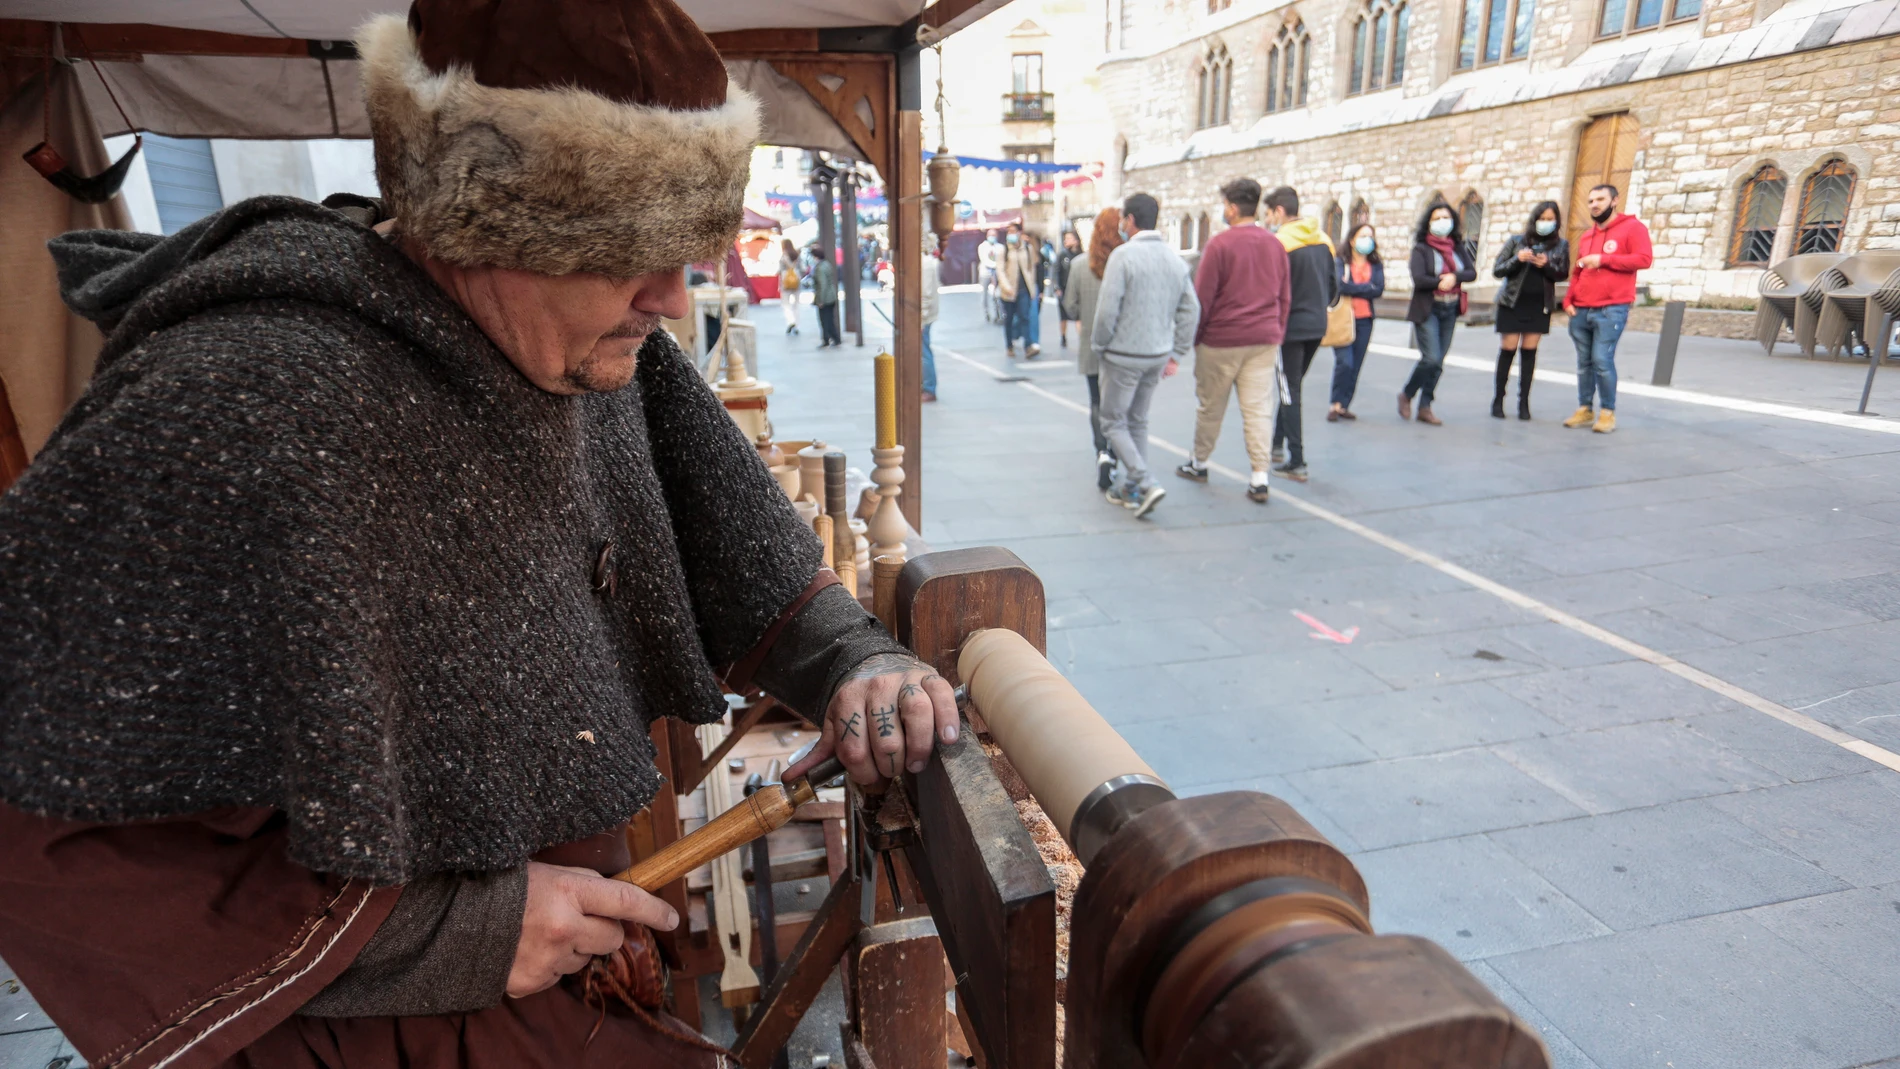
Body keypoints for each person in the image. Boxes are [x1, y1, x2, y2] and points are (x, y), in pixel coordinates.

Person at [0, 3, 960, 1066]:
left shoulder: (585, 338)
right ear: (480, 221)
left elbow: (729, 536)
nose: (671, 301)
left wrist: (846, 658)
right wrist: (454, 933)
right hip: (374, 1029)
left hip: (563, 968)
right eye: (628, 251)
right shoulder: (239, 398)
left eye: (685, 253)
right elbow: (34, 826)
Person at [1176, 177, 1289, 504]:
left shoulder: (1219, 245)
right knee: (1258, 409)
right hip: (1263, 338)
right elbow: (1285, 295)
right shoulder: (1274, 244)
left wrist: (1196, 339)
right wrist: (1276, 329)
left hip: (1221, 339)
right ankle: (1259, 476)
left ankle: (1199, 462)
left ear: (1232, 207)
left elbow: (1203, 299)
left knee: (1211, 406)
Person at [1092, 193, 1200, 518]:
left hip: (1124, 354)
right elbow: (1190, 309)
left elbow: (1107, 309)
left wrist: (1100, 344)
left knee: (1112, 421)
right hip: (1157, 353)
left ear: (1130, 220)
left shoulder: (1123, 257)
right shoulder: (1175, 259)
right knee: (1137, 420)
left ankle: (1145, 480)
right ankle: (1133, 488)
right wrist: (1177, 352)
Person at [1563, 185, 1652, 434]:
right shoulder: (1587, 236)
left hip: (1611, 308)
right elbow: (1579, 270)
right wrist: (1568, 300)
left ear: (1615, 200)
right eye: (1590, 200)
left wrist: (1604, 259)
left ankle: (1607, 413)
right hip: (1581, 309)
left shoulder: (1633, 228)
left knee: (1602, 360)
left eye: (1600, 199)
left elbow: (1644, 259)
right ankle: (1584, 409)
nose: (1594, 204)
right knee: (1584, 362)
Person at [1264, 186, 1338, 483]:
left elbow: (1270, 289)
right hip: (1317, 324)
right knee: (1291, 386)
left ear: (1279, 211)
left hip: (1288, 327)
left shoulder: (1278, 243)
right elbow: (1334, 287)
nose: (1267, 220)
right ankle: (1277, 445)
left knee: (1289, 389)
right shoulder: (1323, 239)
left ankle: (1296, 459)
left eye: (1268, 214)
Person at [1063, 207, 1125, 490]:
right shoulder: (1126, 261)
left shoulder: (1079, 265)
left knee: (1097, 402)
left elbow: (1070, 305)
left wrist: (1084, 318)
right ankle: (1117, 453)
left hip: (1091, 344)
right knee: (1122, 405)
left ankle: (1101, 451)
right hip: (1125, 346)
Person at [1399, 200, 1477, 425]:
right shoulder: (1421, 249)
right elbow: (1419, 278)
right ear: (1429, 223)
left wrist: (1455, 277)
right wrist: (1438, 282)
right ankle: (1407, 394)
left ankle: (1425, 405)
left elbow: (1471, 272)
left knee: (1439, 361)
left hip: (1450, 308)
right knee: (1431, 358)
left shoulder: (1457, 246)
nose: (1443, 222)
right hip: (1429, 308)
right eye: (1437, 218)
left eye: (1446, 217)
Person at [1492, 201, 1569, 420]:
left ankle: (1523, 403)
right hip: (1512, 303)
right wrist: (1518, 259)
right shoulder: (1517, 241)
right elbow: (1498, 270)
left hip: (1539, 305)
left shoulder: (1560, 245)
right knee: (1508, 350)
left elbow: (1562, 273)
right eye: (1541, 218)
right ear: (1534, 219)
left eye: (1549, 219)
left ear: (1556, 222)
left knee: (1529, 353)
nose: (1545, 223)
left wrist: (1546, 264)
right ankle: (1498, 400)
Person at [1329, 223, 1385, 422]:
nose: (1367, 240)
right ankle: (1334, 403)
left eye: (1370, 236)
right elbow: (1340, 285)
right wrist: (1365, 287)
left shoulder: (1376, 265)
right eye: (1363, 236)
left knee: (1356, 365)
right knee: (1345, 362)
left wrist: (1355, 287)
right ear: (1352, 239)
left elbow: (1378, 289)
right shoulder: (1341, 262)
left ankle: (1344, 405)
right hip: (1344, 318)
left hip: (1365, 320)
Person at [996, 221, 1043, 359]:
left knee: (1025, 317)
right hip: (1009, 291)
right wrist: (1006, 287)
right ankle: (1009, 345)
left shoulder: (1027, 249)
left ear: (1019, 233)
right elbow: (1000, 271)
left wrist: (1032, 288)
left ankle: (1028, 346)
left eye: (1013, 231)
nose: (1011, 234)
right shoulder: (1003, 250)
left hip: (1024, 289)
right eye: (1008, 232)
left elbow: (1031, 269)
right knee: (1009, 319)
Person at [1055, 230, 1083, 348]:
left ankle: (1081, 338)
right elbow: (1056, 272)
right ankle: (1063, 337)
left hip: (1078, 291)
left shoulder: (1081, 255)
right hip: (1064, 289)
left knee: (1079, 315)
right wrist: (1057, 287)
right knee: (1063, 316)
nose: (1066, 241)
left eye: (1069, 238)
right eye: (1065, 238)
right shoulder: (1062, 255)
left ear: (1076, 240)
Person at [922, 231, 941, 402]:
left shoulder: (925, 263)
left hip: (923, 317)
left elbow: (926, 294)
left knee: (923, 351)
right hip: (922, 314)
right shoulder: (924, 262)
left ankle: (929, 387)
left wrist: (921, 316)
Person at [813, 243, 843, 347]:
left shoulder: (820, 268)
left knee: (825, 320)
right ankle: (834, 338)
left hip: (825, 297)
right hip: (831, 295)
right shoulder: (826, 264)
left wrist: (820, 299)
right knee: (829, 319)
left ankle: (828, 339)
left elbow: (822, 284)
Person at [778, 236, 803, 336]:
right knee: (796, 305)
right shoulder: (797, 255)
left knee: (786, 304)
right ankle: (796, 325)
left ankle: (790, 322)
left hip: (786, 283)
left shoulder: (783, 257)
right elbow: (803, 268)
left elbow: (780, 270)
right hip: (796, 283)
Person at [978, 228, 1003, 322]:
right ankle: (986, 313)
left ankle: (998, 314)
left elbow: (1001, 260)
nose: (992, 237)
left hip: (997, 273)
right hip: (985, 273)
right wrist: (995, 266)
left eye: (994, 235)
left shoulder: (1000, 247)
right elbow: (984, 259)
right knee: (984, 294)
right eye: (990, 235)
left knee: (996, 295)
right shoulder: (982, 246)